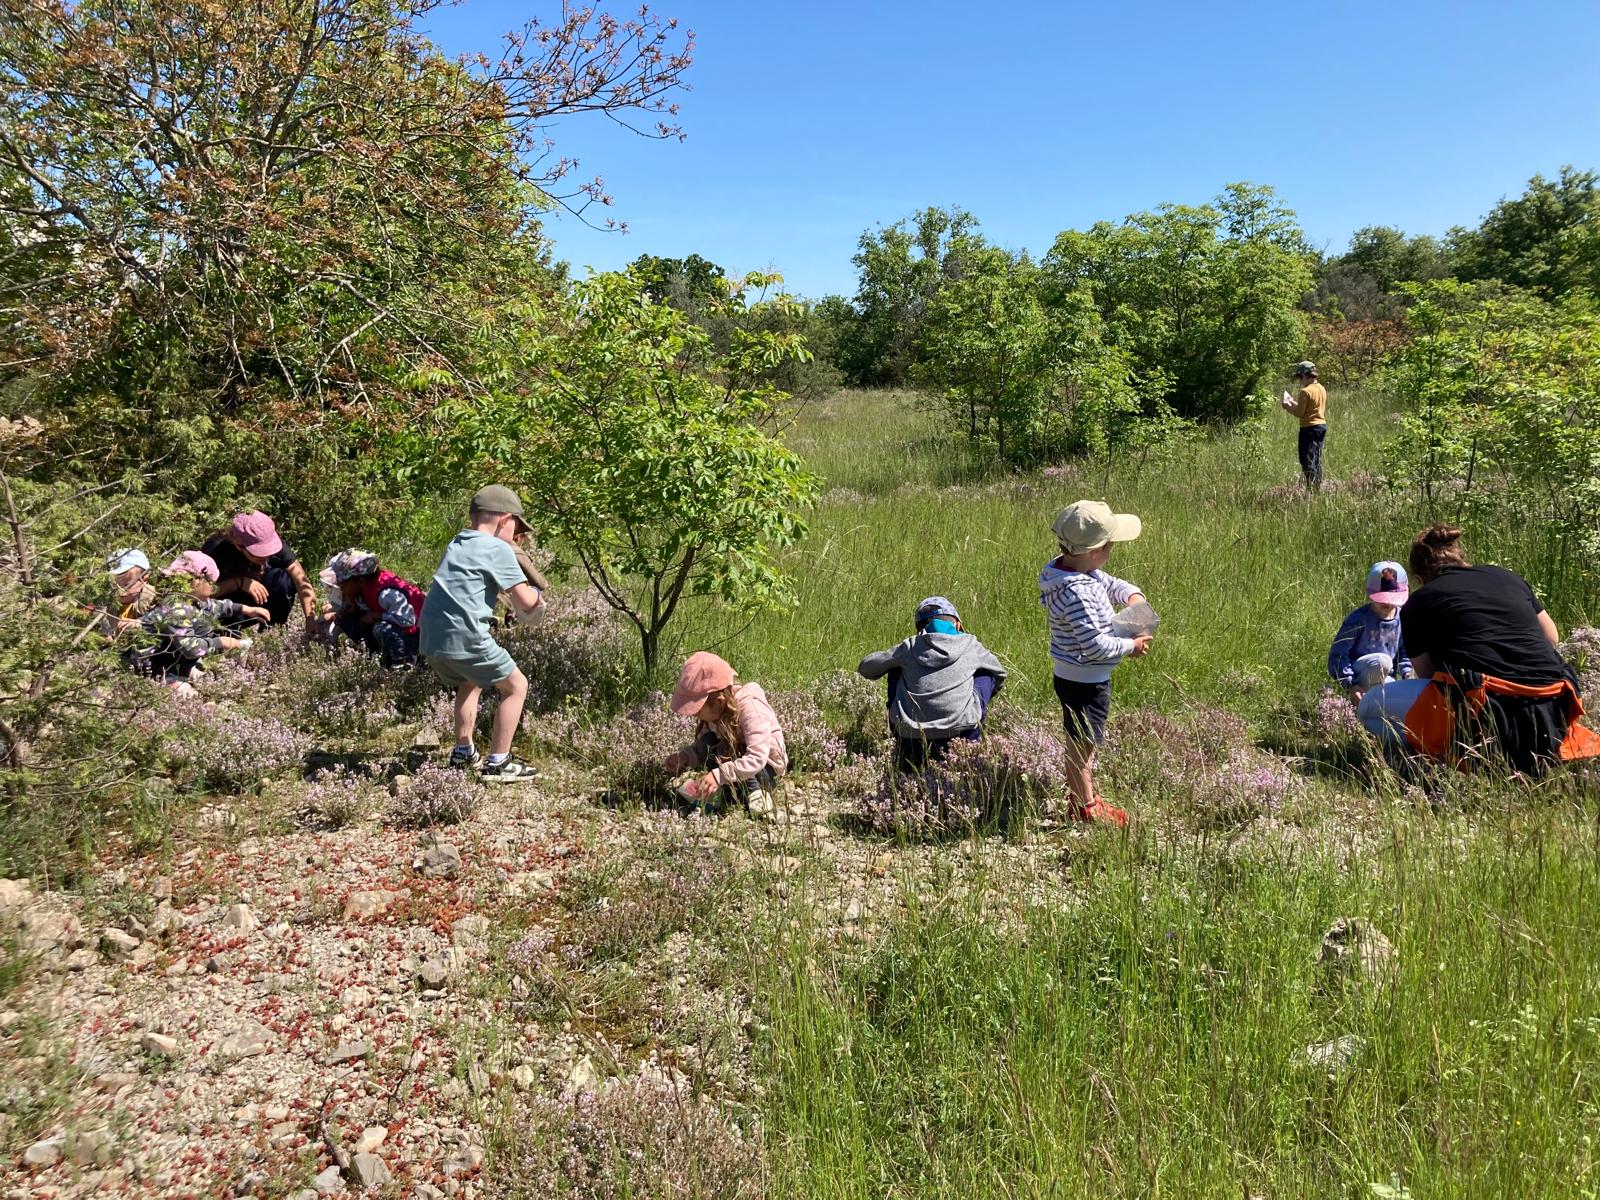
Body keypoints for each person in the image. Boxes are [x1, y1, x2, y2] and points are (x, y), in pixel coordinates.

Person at [1357, 524, 1600, 774]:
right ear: (1462, 558)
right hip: (1553, 707)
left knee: (1369, 708)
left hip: (1487, 713)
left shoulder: (1420, 602)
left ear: (1419, 576)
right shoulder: (1507, 577)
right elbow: (1551, 637)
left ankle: (1454, 758)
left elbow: (1429, 674)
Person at [1039, 501, 1154, 828]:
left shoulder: (1065, 569)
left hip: (1072, 674)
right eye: (1110, 546)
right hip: (1086, 682)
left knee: (1080, 742)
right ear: (1093, 552)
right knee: (1082, 748)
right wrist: (1130, 646)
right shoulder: (1079, 592)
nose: (1112, 551)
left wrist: (1132, 594)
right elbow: (1096, 646)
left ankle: (1081, 798)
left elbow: (1107, 581)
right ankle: (1086, 806)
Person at [419, 485, 544, 781]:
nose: (516, 536)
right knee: (516, 687)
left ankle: (463, 753)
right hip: (468, 636)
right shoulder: (497, 547)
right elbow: (525, 601)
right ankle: (500, 762)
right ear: (504, 519)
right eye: (516, 527)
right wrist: (536, 595)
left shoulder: (458, 542)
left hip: (431, 637)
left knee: (469, 680)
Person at [857, 595, 1007, 769]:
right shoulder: (970, 644)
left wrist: (899, 657)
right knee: (985, 672)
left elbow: (866, 669)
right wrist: (977, 702)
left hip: (912, 741)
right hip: (962, 737)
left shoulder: (909, 647)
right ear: (957, 624)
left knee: (896, 669)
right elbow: (1000, 674)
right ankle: (972, 744)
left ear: (919, 628)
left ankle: (905, 757)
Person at [663, 651, 788, 809]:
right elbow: (703, 746)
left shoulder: (751, 709)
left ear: (719, 701)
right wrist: (685, 757)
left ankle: (756, 794)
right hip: (735, 768)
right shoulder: (714, 714)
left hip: (764, 770)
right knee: (709, 740)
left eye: (697, 710)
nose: (695, 715)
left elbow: (757, 757)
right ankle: (723, 791)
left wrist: (719, 775)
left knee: (727, 748)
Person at [202, 511, 318, 627]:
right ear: (239, 545)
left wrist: (310, 617)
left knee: (283, 580)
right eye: (259, 553)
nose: (266, 556)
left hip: (261, 598)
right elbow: (198, 594)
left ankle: (273, 629)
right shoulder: (215, 549)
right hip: (230, 605)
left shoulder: (269, 540)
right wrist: (239, 583)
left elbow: (300, 579)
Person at [323, 549, 425, 668]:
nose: (341, 588)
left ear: (360, 580)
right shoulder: (363, 588)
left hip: (418, 635)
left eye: (343, 585)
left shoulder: (386, 593)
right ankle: (378, 655)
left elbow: (408, 620)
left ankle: (405, 661)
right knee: (349, 619)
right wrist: (347, 605)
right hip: (401, 628)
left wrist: (378, 616)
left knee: (382, 628)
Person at [1328, 561, 1415, 702]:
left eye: (1392, 599)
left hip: (1384, 675)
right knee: (1382, 661)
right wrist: (1351, 684)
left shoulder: (1402, 618)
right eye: (1382, 598)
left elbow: (1404, 654)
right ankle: (1357, 694)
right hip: (1359, 672)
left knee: (1398, 697)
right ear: (1370, 594)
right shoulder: (1358, 619)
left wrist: (1406, 675)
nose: (1387, 603)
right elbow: (1338, 655)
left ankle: (1367, 706)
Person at [160, 550, 271, 625]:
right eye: (211, 583)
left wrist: (247, 609)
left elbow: (215, 606)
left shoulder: (194, 600)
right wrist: (219, 643)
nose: (215, 588)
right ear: (196, 582)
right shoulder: (176, 609)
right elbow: (190, 648)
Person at [1279, 361, 1327, 490]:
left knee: (1307, 460)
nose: (1299, 381)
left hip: (1309, 429)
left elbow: (1300, 413)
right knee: (1316, 458)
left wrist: (1286, 406)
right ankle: (1317, 487)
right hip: (1321, 426)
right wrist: (1292, 402)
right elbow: (1309, 409)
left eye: (1300, 377)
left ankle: (1311, 489)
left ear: (1305, 376)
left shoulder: (1305, 392)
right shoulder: (1321, 388)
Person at [97, 547, 158, 638]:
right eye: (115, 585)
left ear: (144, 579)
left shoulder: (152, 599)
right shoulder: (109, 604)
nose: (121, 591)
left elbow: (163, 623)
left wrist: (141, 624)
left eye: (127, 585)